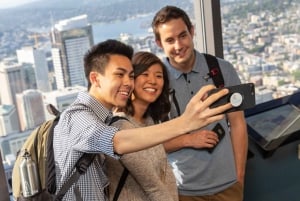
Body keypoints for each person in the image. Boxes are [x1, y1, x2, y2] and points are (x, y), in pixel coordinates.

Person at [53, 39, 232, 201]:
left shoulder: (104, 117)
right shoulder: (76, 117)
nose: (128, 83)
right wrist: (185, 123)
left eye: (131, 75)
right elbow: (117, 141)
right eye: (119, 74)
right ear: (95, 78)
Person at [152, 5, 248, 201]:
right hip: (183, 191)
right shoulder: (156, 82)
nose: (178, 45)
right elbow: (150, 145)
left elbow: (238, 124)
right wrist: (188, 139)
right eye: (170, 40)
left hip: (228, 187)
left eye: (182, 35)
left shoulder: (222, 69)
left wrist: (239, 175)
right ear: (159, 43)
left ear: (192, 31)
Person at [107, 51, 217, 201]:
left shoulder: (149, 121)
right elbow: (153, 186)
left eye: (159, 76)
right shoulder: (122, 126)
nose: (153, 81)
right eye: (145, 74)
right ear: (131, 79)